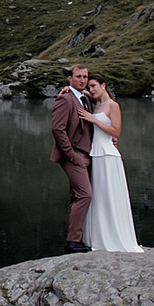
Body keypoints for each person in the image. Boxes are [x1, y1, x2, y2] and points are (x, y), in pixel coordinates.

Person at [74, 79, 142, 252]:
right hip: (96, 153)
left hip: (108, 155)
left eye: (94, 86)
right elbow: (82, 92)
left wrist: (93, 120)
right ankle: (98, 237)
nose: (90, 89)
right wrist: (69, 87)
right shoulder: (96, 103)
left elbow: (116, 131)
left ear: (103, 85)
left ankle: (114, 237)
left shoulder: (113, 105)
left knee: (110, 195)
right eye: (89, 87)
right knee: (99, 196)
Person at [48, 64, 96, 253]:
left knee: (77, 195)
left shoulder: (86, 98)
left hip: (86, 155)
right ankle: (72, 242)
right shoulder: (65, 99)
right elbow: (57, 129)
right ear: (70, 78)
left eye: (85, 77)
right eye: (78, 76)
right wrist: (70, 154)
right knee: (85, 195)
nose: (82, 80)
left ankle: (79, 237)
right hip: (72, 155)